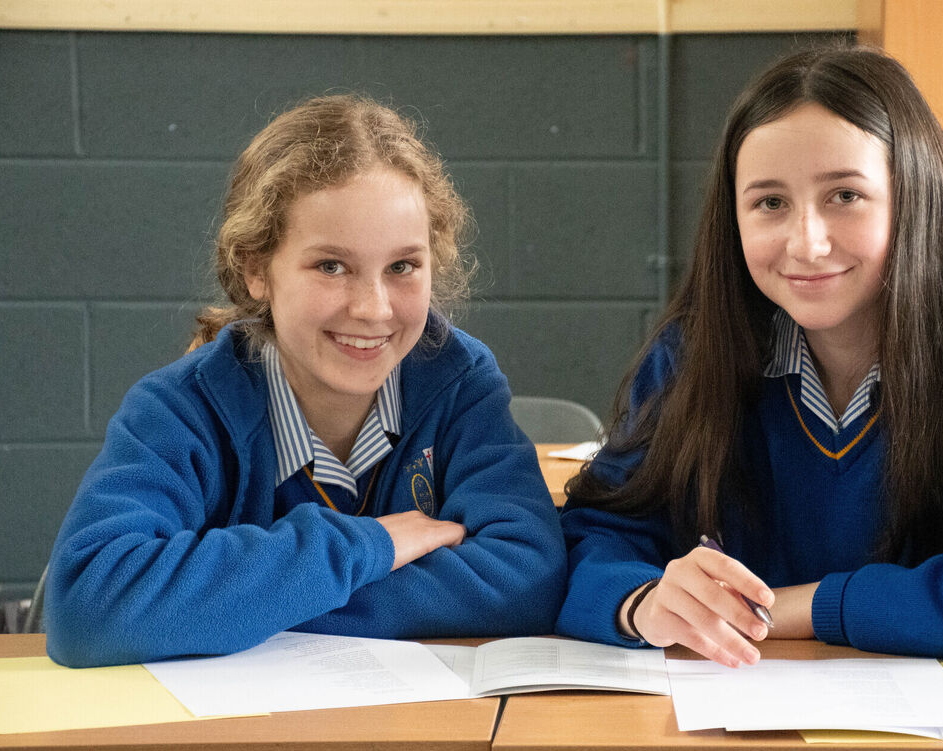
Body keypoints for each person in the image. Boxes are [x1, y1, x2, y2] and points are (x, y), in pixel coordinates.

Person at [555, 46, 943, 670]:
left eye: (844, 195)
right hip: (740, 721)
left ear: (915, 196)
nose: (806, 242)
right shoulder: (693, 351)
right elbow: (589, 542)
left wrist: (809, 607)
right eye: (769, 203)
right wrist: (643, 601)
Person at [46, 95, 566, 667]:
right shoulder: (178, 409)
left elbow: (528, 578)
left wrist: (237, 607)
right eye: (330, 266)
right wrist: (371, 545)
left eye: (402, 267)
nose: (373, 309)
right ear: (255, 269)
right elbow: (89, 606)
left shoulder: (459, 381)